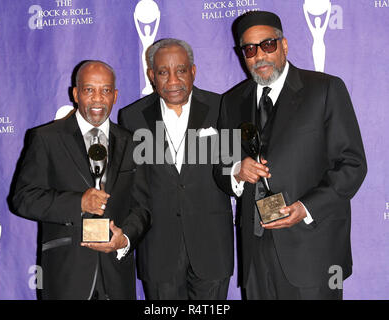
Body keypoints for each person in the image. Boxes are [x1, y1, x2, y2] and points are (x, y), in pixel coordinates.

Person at [214, 11, 367, 299]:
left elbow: (352, 165)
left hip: (313, 251)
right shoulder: (232, 101)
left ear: (284, 45)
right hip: (256, 255)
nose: (259, 55)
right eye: (249, 49)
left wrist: (306, 208)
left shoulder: (324, 89)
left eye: (268, 45)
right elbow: (220, 166)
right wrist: (236, 170)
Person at [11, 60, 150, 300]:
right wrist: (78, 203)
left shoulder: (131, 143)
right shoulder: (47, 138)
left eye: (105, 90)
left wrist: (124, 238)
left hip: (116, 278)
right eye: (89, 90)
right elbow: (23, 199)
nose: (98, 98)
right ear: (75, 94)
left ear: (115, 95)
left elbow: (143, 207)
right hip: (66, 276)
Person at [118, 38, 233, 300]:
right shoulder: (132, 117)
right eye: (163, 72)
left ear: (193, 71)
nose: (172, 80)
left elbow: (232, 169)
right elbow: (134, 187)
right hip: (158, 249)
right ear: (151, 76)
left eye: (181, 70)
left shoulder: (221, 108)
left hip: (212, 247)